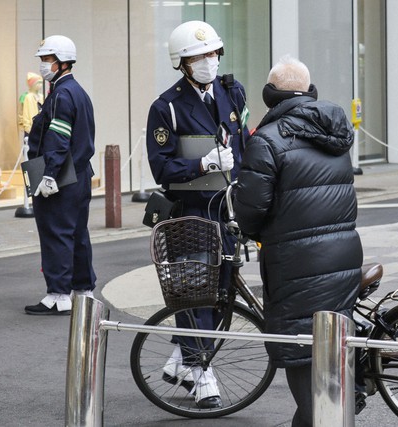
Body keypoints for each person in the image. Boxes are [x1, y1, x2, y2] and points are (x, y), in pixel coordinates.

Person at [234, 55, 363, 427]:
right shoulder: (335, 132)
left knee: (301, 353)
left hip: (295, 263)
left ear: (269, 95)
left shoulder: (268, 140)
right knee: (334, 344)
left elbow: (251, 209)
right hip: (343, 254)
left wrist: (250, 230)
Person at [146, 20, 249, 409]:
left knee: (220, 291)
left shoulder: (230, 93)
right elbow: (161, 167)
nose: (209, 61)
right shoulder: (166, 107)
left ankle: (179, 360)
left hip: (226, 209)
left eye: (212, 54)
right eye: (199, 56)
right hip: (189, 213)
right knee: (195, 292)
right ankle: (201, 370)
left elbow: (244, 143)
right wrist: (202, 165)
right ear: (183, 63)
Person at [24, 35, 96, 315]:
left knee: (56, 233)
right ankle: (83, 288)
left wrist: (49, 175)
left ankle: (58, 294)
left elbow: (59, 138)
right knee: (77, 233)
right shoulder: (76, 91)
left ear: (62, 62)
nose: (44, 65)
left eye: (47, 59)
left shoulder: (62, 94)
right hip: (78, 175)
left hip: (60, 178)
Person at [20, 72, 44, 137]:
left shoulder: (41, 96)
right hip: (30, 128)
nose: (40, 85)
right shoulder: (28, 97)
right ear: (32, 84)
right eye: (38, 83)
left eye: (41, 83)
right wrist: (27, 127)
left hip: (40, 127)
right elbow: (25, 113)